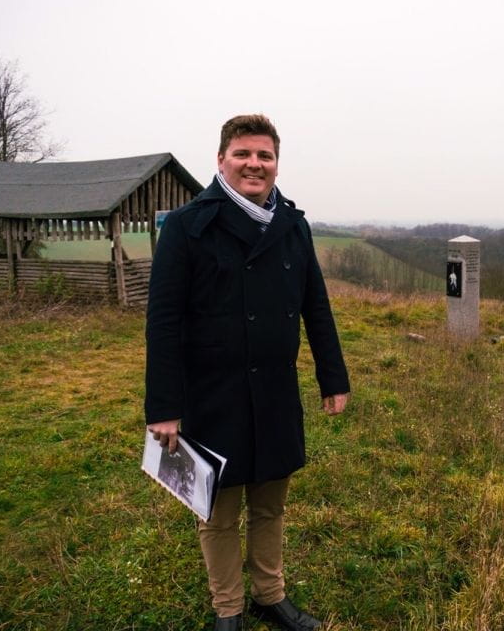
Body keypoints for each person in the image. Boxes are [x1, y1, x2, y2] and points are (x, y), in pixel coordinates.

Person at [145, 114, 350, 631]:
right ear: (220, 160)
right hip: (211, 394)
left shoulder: (293, 225)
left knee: (270, 504)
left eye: (265, 156)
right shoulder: (188, 227)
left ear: (276, 164)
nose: (254, 164)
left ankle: (270, 594)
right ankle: (228, 609)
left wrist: (334, 376)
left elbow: (316, 306)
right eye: (243, 154)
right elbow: (163, 322)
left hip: (276, 391)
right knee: (217, 511)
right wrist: (164, 406)